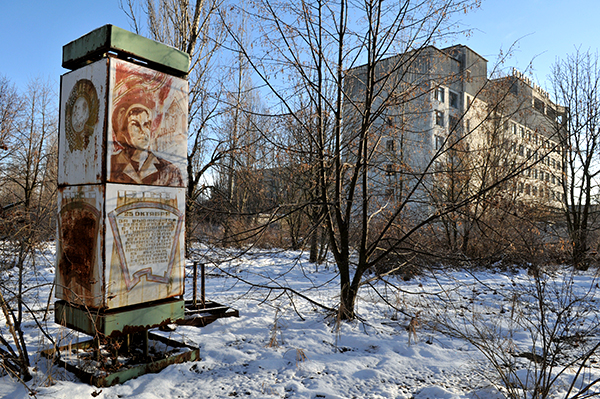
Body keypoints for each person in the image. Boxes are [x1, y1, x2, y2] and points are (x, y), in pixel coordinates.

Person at [110, 99, 184, 187]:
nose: (143, 131)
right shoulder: (110, 165)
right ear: (123, 131)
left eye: (146, 124)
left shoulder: (170, 171)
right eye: (135, 125)